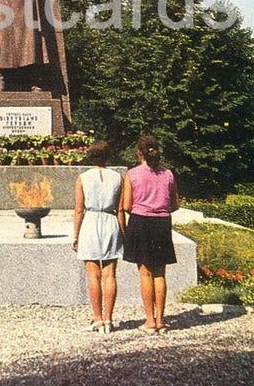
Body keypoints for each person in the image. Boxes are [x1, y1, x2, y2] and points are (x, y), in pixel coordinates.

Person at [123, 135, 180, 334]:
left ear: (139, 153)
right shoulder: (168, 174)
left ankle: (149, 320)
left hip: (141, 222)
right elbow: (175, 204)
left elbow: (126, 205)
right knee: (160, 273)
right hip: (162, 223)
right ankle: (161, 320)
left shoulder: (132, 174)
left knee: (145, 272)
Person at [72, 140, 126, 334]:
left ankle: (97, 318)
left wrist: (76, 235)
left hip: (90, 221)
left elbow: (79, 209)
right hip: (110, 221)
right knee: (110, 274)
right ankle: (108, 319)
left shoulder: (83, 178)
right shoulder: (118, 178)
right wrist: (123, 233)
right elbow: (120, 210)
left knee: (93, 275)